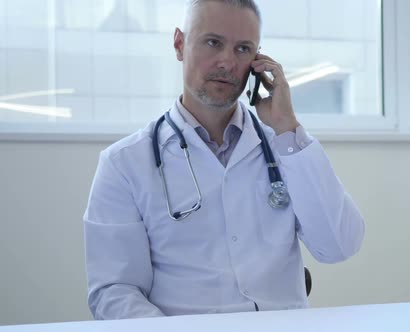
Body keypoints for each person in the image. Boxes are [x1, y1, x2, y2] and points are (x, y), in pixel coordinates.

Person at [84, 0, 365, 320]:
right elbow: (115, 290)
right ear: (179, 44)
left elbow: (339, 246)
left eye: (243, 49)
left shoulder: (285, 147)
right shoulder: (124, 163)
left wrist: (288, 129)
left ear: (259, 60)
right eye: (213, 42)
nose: (227, 62)